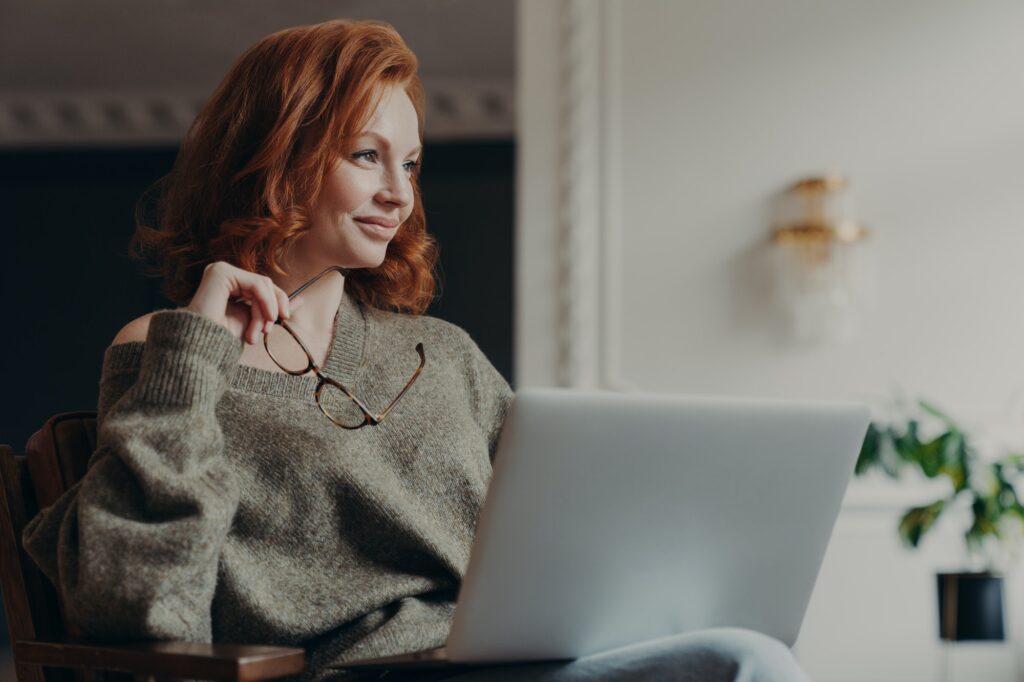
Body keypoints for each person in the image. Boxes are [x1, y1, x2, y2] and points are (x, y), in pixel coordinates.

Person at [21, 19, 812, 682]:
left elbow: (564, 545)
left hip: (516, 664)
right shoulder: (167, 352)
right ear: (278, 152)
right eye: (367, 156)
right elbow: (137, 601)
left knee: (747, 654)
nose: (400, 194)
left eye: (411, 163)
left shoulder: (445, 353)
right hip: (359, 673)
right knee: (743, 663)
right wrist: (195, 349)